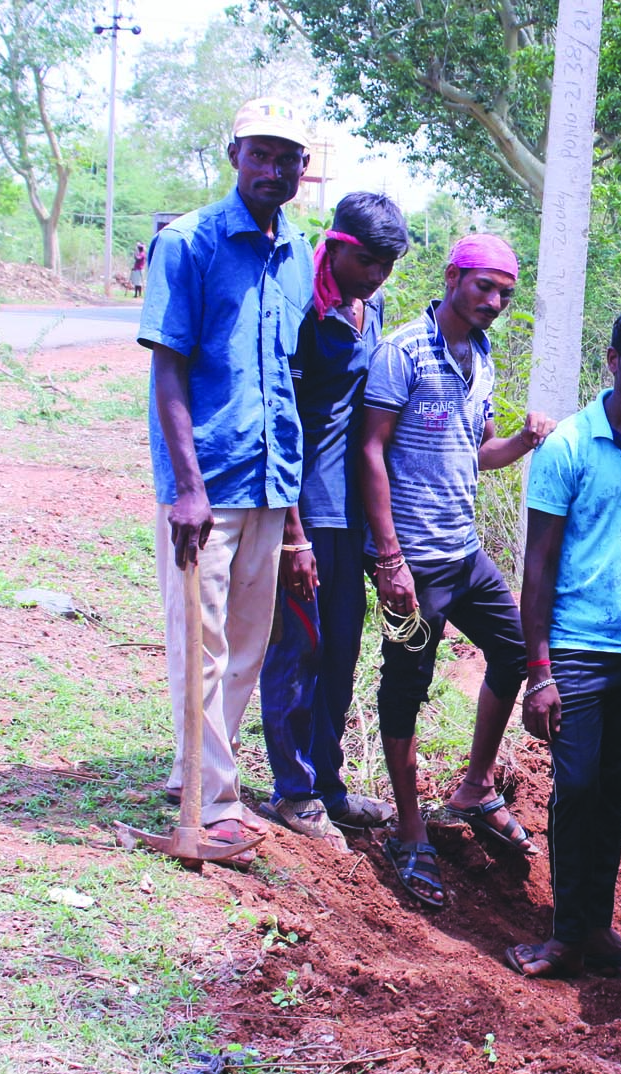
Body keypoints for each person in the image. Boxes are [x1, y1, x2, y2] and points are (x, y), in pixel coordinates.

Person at [137, 97, 314, 865]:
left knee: (245, 644)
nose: (273, 170)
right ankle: (214, 803)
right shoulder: (191, 243)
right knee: (200, 642)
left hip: (272, 483)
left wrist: (297, 515)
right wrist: (187, 487)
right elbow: (169, 367)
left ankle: (196, 767)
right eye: (261, 154)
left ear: (304, 170)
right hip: (207, 482)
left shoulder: (297, 252)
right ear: (234, 152)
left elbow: (288, 375)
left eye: (289, 159)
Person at [359, 233, 556, 907]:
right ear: (452, 278)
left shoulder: (483, 354)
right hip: (413, 561)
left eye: (505, 291)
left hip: (464, 553)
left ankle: (474, 788)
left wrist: (524, 442)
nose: (495, 301)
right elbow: (370, 453)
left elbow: (478, 454)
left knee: (517, 650)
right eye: (484, 287)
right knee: (406, 687)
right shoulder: (403, 352)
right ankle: (409, 830)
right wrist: (389, 561)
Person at [506, 302, 621, 984]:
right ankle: (565, 935)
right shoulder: (567, 447)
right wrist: (540, 671)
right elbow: (539, 566)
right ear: (612, 360)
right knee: (577, 786)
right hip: (577, 649)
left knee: (612, 795)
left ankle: (596, 928)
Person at [256, 193, 411, 850]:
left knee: (343, 647)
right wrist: (292, 536)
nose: (378, 277)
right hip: (304, 503)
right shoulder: (299, 304)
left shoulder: (368, 304)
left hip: (352, 510)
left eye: (388, 266)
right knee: (301, 647)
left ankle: (330, 785)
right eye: (369, 262)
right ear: (339, 244)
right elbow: (277, 419)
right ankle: (293, 792)